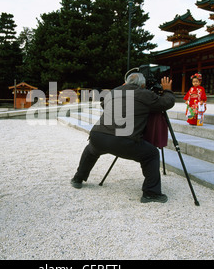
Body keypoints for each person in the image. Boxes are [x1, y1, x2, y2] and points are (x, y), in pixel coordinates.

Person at [70, 73, 176, 203]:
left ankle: (78, 179)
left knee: (91, 150)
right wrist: (167, 90)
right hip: (124, 141)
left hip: (98, 135)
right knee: (152, 154)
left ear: (125, 82)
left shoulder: (114, 91)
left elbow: (104, 104)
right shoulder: (145, 94)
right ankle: (151, 193)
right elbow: (166, 103)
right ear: (142, 85)